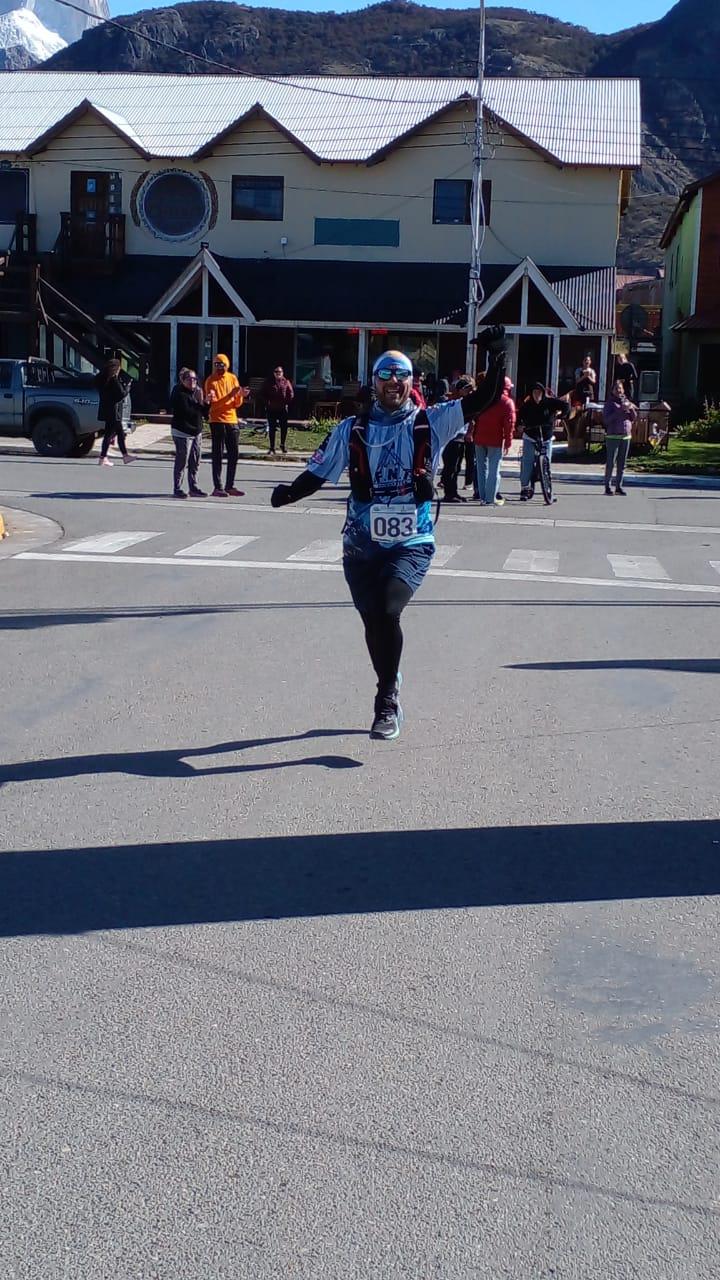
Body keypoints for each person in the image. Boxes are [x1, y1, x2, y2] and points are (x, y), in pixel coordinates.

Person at [271, 327, 507, 740]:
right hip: (361, 545)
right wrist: (289, 493)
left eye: (401, 375)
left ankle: (386, 700)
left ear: (411, 382)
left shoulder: (431, 421)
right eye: (385, 374)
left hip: (411, 542)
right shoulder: (353, 429)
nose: (393, 382)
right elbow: (318, 472)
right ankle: (389, 677)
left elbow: (483, 399)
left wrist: (496, 355)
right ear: (374, 382)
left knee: (387, 610)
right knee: (373, 622)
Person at [203, 354, 249, 498]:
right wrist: (230, 395)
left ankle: (230, 485)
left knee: (234, 454)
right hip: (217, 420)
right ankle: (218, 487)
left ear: (227, 365)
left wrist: (240, 395)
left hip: (232, 420)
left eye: (221, 365)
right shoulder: (210, 381)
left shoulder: (232, 378)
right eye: (216, 365)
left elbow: (236, 404)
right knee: (218, 454)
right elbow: (214, 405)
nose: (219, 367)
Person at [468, 376, 516, 506]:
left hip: (479, 437)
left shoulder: (485, 398)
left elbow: (474, 416)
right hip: (495, 439)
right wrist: (508, 442)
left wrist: (471, 433)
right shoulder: (507, 402)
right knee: (494, 469)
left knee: (481, 468)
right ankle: (490, 498)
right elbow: (509, 424)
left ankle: (482, 496)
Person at [517, 382, 569, 500]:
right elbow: (519, 418)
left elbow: (566, 406)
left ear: (543, 393)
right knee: (527, 461)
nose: (537, 395)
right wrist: (519, 426)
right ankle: (525, 488)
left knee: (547, 463)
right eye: (534, 392)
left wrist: (560, 417)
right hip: (530, 436)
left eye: (539, 392)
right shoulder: (527, 405)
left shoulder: (549, 402)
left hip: (546, 437)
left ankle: (548, 490)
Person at [169, 367, 207, 498]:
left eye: (194, 379)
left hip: (196, 431)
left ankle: (193, 487)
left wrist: (205, 402)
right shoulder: (179, 392)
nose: (192, 382)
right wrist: (199, 402)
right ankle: (177, 488)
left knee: (195, 460)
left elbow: (204, 413)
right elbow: (187, 412)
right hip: (182, 431)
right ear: (182, 380)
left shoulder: (197, 392)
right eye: (189, 379)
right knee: (182, 461)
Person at [440, 376, 475, 503]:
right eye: (467, 389)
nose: (470, 392)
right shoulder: (453, 403)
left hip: (461, 438)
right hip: (451, 438)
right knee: (450, 467)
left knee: (457, 467)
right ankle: (449, 493)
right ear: (460, 390)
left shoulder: (467, 402)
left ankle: (454, 492)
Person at [96, 358, 134, 466]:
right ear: (116, 369)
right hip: (114, 411)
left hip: (106, 409)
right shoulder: (114, 380)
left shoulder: (102, 379)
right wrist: (128, 387)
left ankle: (125, 456)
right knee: (110, 434)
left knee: (119, 433)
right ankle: (103, 457)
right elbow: (121, 394)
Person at [603, 380, 637, 495]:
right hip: (613, 436)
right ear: (612, 391)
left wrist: (630, 408)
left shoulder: (626, 401)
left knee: (622, 464)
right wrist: (619, 409)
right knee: (611, 463)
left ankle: (619, 486)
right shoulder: (609, 403)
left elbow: (633, 417)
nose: (619, 390)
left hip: (625, 436)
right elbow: (606, 420)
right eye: (616, 388)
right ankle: (607, 487)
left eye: (620, 388)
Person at [262, 365, 294, 456]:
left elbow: (291, 393)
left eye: (279, 372)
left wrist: (286, 402)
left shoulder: (286, 382)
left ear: (282, 373)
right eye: (276, 372)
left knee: (284, 428)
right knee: (272, 428)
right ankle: (272, 447)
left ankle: (282, 445)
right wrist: (267, 403)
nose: (278, 373)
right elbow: (262, 394)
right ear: (274, 373)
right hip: (271, 409)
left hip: (282, 409)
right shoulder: (268, 382)